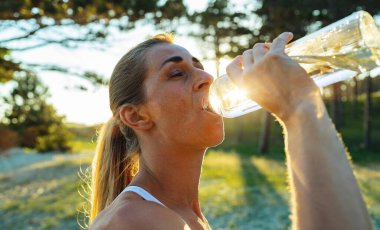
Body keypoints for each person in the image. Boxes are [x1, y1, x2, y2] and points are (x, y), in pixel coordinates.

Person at [89, 32, 373, 230]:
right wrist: (297, 107)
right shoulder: (131, 222)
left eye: (199, 67)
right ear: (135, 115)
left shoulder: (183, 213)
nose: (207, 78)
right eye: (177, 73)